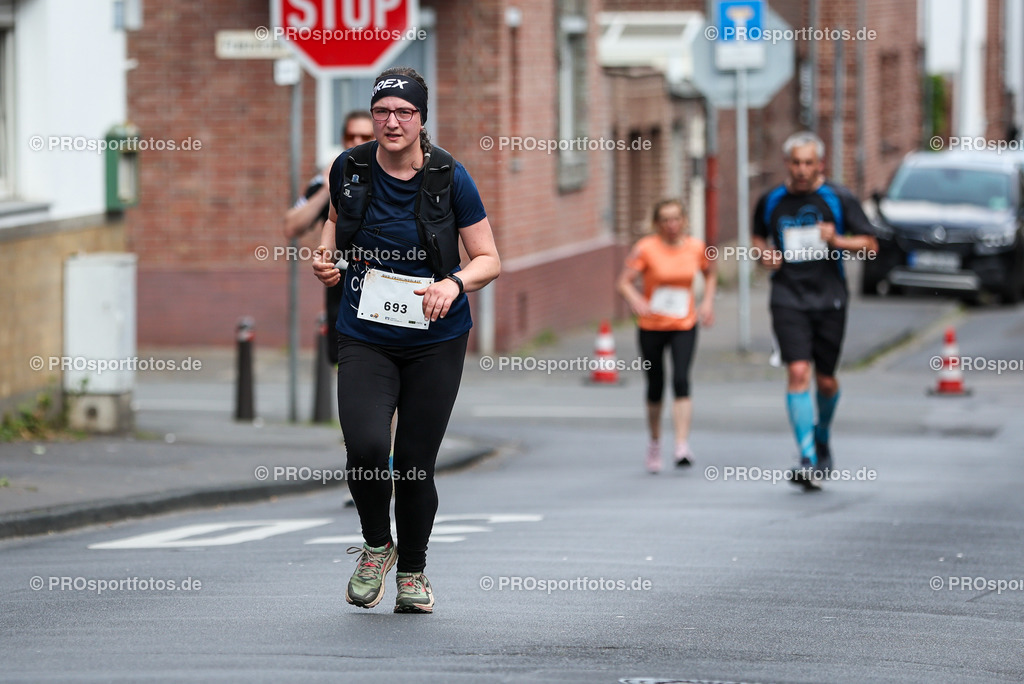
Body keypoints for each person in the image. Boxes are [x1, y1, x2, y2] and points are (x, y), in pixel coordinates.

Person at [312, 67, 500, 613]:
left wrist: (453, 283)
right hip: (365, 332)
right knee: (367, 446)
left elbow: (489, 258)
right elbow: (334, 218)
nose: (392, 122)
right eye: (382, 112)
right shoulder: (349, 167)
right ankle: (377, 545)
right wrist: (327, 258)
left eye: (404, 113)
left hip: (435, 337)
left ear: (421, 118)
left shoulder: (448, 176)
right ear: (371, 117)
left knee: (415, 461)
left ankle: (413, 572)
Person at [751, 131, 877, 489]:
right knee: (798, 372)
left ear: (820, 164)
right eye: (796, 162)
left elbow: (870, 246)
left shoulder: (838, 198)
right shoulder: (771, 199)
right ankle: (806, 456)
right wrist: (765, 255)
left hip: (829, 299)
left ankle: (821, 436)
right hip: (787, 297)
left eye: (809, 163)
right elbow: (758, 236)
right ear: (786, 163)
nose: (802, 170)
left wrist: (837, 240)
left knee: (825, 380)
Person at [617, 198, 716, 474]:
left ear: (684, 220)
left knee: (682, 379)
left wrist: (707, 302)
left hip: (684, 323)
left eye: (676, 219)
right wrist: (635, 299)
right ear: (657, 223)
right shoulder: (646, 248)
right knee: (656, 385)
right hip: (652, 325)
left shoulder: (697, 247)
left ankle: (682, 445)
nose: (672, 225)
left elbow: (710, 274)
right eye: (665, 220)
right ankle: (655, 443)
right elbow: (623, 282)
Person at [284, 111, 374, 364]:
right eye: (350, 135)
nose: (356, 141)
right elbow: (292, 225)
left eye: (364, 135)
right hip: (343, 291)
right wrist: (327, 187)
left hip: (387, 287)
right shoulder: (330, 178)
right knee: (347, 371)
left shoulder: (394, 175)